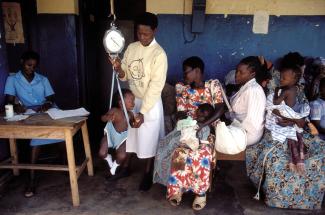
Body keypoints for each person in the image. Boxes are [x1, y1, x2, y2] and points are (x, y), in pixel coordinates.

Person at [246, 53, 325, 209]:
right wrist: (283, 114)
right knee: (274, 157)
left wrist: (294, 120)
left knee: (320, 150)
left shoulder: (298, 90)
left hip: (296, 127)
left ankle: (309, 200)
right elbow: (271, 108)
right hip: (276, 127)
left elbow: (303, 116)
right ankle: (275, 198)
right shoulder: (273, 90)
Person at [154, 56, 224, 210]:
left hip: (207, 129)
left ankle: (200, 193)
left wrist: (201, 124)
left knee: (201, 153)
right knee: (180, 152)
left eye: (186, 72)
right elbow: (180, 111)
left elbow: (220, 110)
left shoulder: (213, 86)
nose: (184, 76)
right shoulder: (182, 88)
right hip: (187, 128)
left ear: (197, 71)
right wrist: (187, 121)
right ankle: (177, 188)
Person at [109, 12, 167, 191]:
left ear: (154, 31)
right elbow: (124, 73)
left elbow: (156, 87)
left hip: (150, 103)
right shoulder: (132, 48)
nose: (142, 37)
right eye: (139, 33)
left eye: (146, 34)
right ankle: (126, 167)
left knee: (149, 139)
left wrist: (142, 112)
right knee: (131, 136)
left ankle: (148, 173)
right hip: (132, 102)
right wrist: (118, 68)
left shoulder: (159, 54)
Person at [4, 50, 62, 197]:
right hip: (29, 113)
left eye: (34, 66)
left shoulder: (42, 79)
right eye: (29, 65)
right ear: (22, 62)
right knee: (37, 137)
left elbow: (51, 98)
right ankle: (32, 179)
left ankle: (65, 160)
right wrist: (16, 106)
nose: (31, 68)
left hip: (47, 111)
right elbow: (9, 101)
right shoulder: (13, 80)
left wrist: (47, 104)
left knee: (63, 131)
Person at [265, 66, 308, 175]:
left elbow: (275, 103)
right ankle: (299, 158)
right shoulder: (295, 88)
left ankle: (293, 161)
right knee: (294, 136)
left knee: (290, 136)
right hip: (293, 112)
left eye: (284, 78)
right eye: (280, 77)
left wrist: (275, 91)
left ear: (294, 80)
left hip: (288, 114)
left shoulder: (286, 90)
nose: (280, 80)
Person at [229, 56, 266, 146]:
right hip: (240, 127)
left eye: (241, 73)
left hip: (248, 134)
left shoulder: (253, 90)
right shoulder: (246, 86)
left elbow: (253, 123)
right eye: (237, 71)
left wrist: (234, 129)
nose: (237, 75)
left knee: (216, 138)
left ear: (252, 74)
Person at [98, 89, 135, 179]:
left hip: (122, 139)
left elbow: (133, 126)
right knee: (102, 153)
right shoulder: (114, 111)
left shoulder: (130, 114)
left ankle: (114, 167)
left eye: (133, 101)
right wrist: (107, 117)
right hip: (110, 136)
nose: (133, 103)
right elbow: (102, 118)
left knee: (122, 156)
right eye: (131, 101)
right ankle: (108, 158)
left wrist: (136, 123)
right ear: (121, 102)